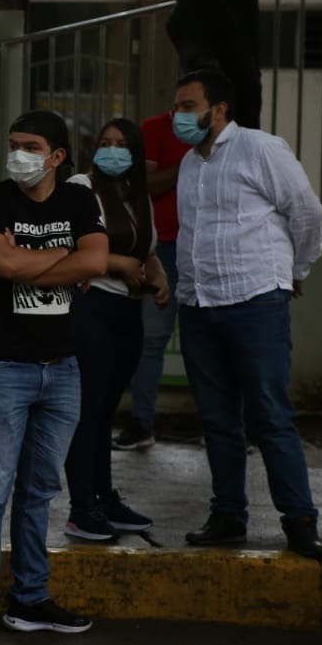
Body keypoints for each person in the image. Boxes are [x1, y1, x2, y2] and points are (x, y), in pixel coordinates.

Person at [0, 109, 108, 645]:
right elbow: (5, 267)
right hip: (0, 368)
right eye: (14, 142)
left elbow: (98, 260)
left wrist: (42, 257)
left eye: (31, 145)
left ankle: (29, 597)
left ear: (57, 157)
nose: (18, 153)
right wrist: (66, 255)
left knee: (40, 489)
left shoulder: (79, 200)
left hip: (61, 370)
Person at [172, 68, 322, 560]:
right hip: (199, 305)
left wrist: (293, 269)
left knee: (270, 415)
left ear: (218, 109)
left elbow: (306, 213)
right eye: (177, 106)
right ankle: (227, 515)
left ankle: (299, 520)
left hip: (255, 300)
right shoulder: (188, 164)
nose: (179, 116)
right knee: (218, 421)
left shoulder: (261, 148)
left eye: (188, 106)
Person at [62, 119, 168, 541]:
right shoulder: (80, 188)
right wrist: (120, 265)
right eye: (105, 143)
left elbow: (149, 252)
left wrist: (159, 278)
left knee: (105, 411)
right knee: (87, 411)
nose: (112, 151)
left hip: (127, 313)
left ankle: (105, 498)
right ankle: (81, 507)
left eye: (122, 145)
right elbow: (68, 245)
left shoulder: (135, 197)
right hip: (91, 308)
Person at [114, 108, 191, 450]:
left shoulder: (230, 138)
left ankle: (228, 427)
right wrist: (189, 163)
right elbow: (141, 186)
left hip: (213, 250)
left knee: (215, 342)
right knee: (152, 341)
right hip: (168, 247)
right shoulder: (155, 128)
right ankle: (141, 424)